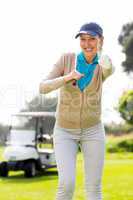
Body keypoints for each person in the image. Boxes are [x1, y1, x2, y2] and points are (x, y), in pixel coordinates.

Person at [39, 22, 114, 200]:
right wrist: (68, 77)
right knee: (66, 184)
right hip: (64, 130)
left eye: (92, 39)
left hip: (92, 129)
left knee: (94, 187)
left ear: (100, 40)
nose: (87, 44)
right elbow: (43, 87)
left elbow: (109, 68)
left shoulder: (102, 65)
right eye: (83, 39)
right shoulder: (66, 60)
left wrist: (102, 54)